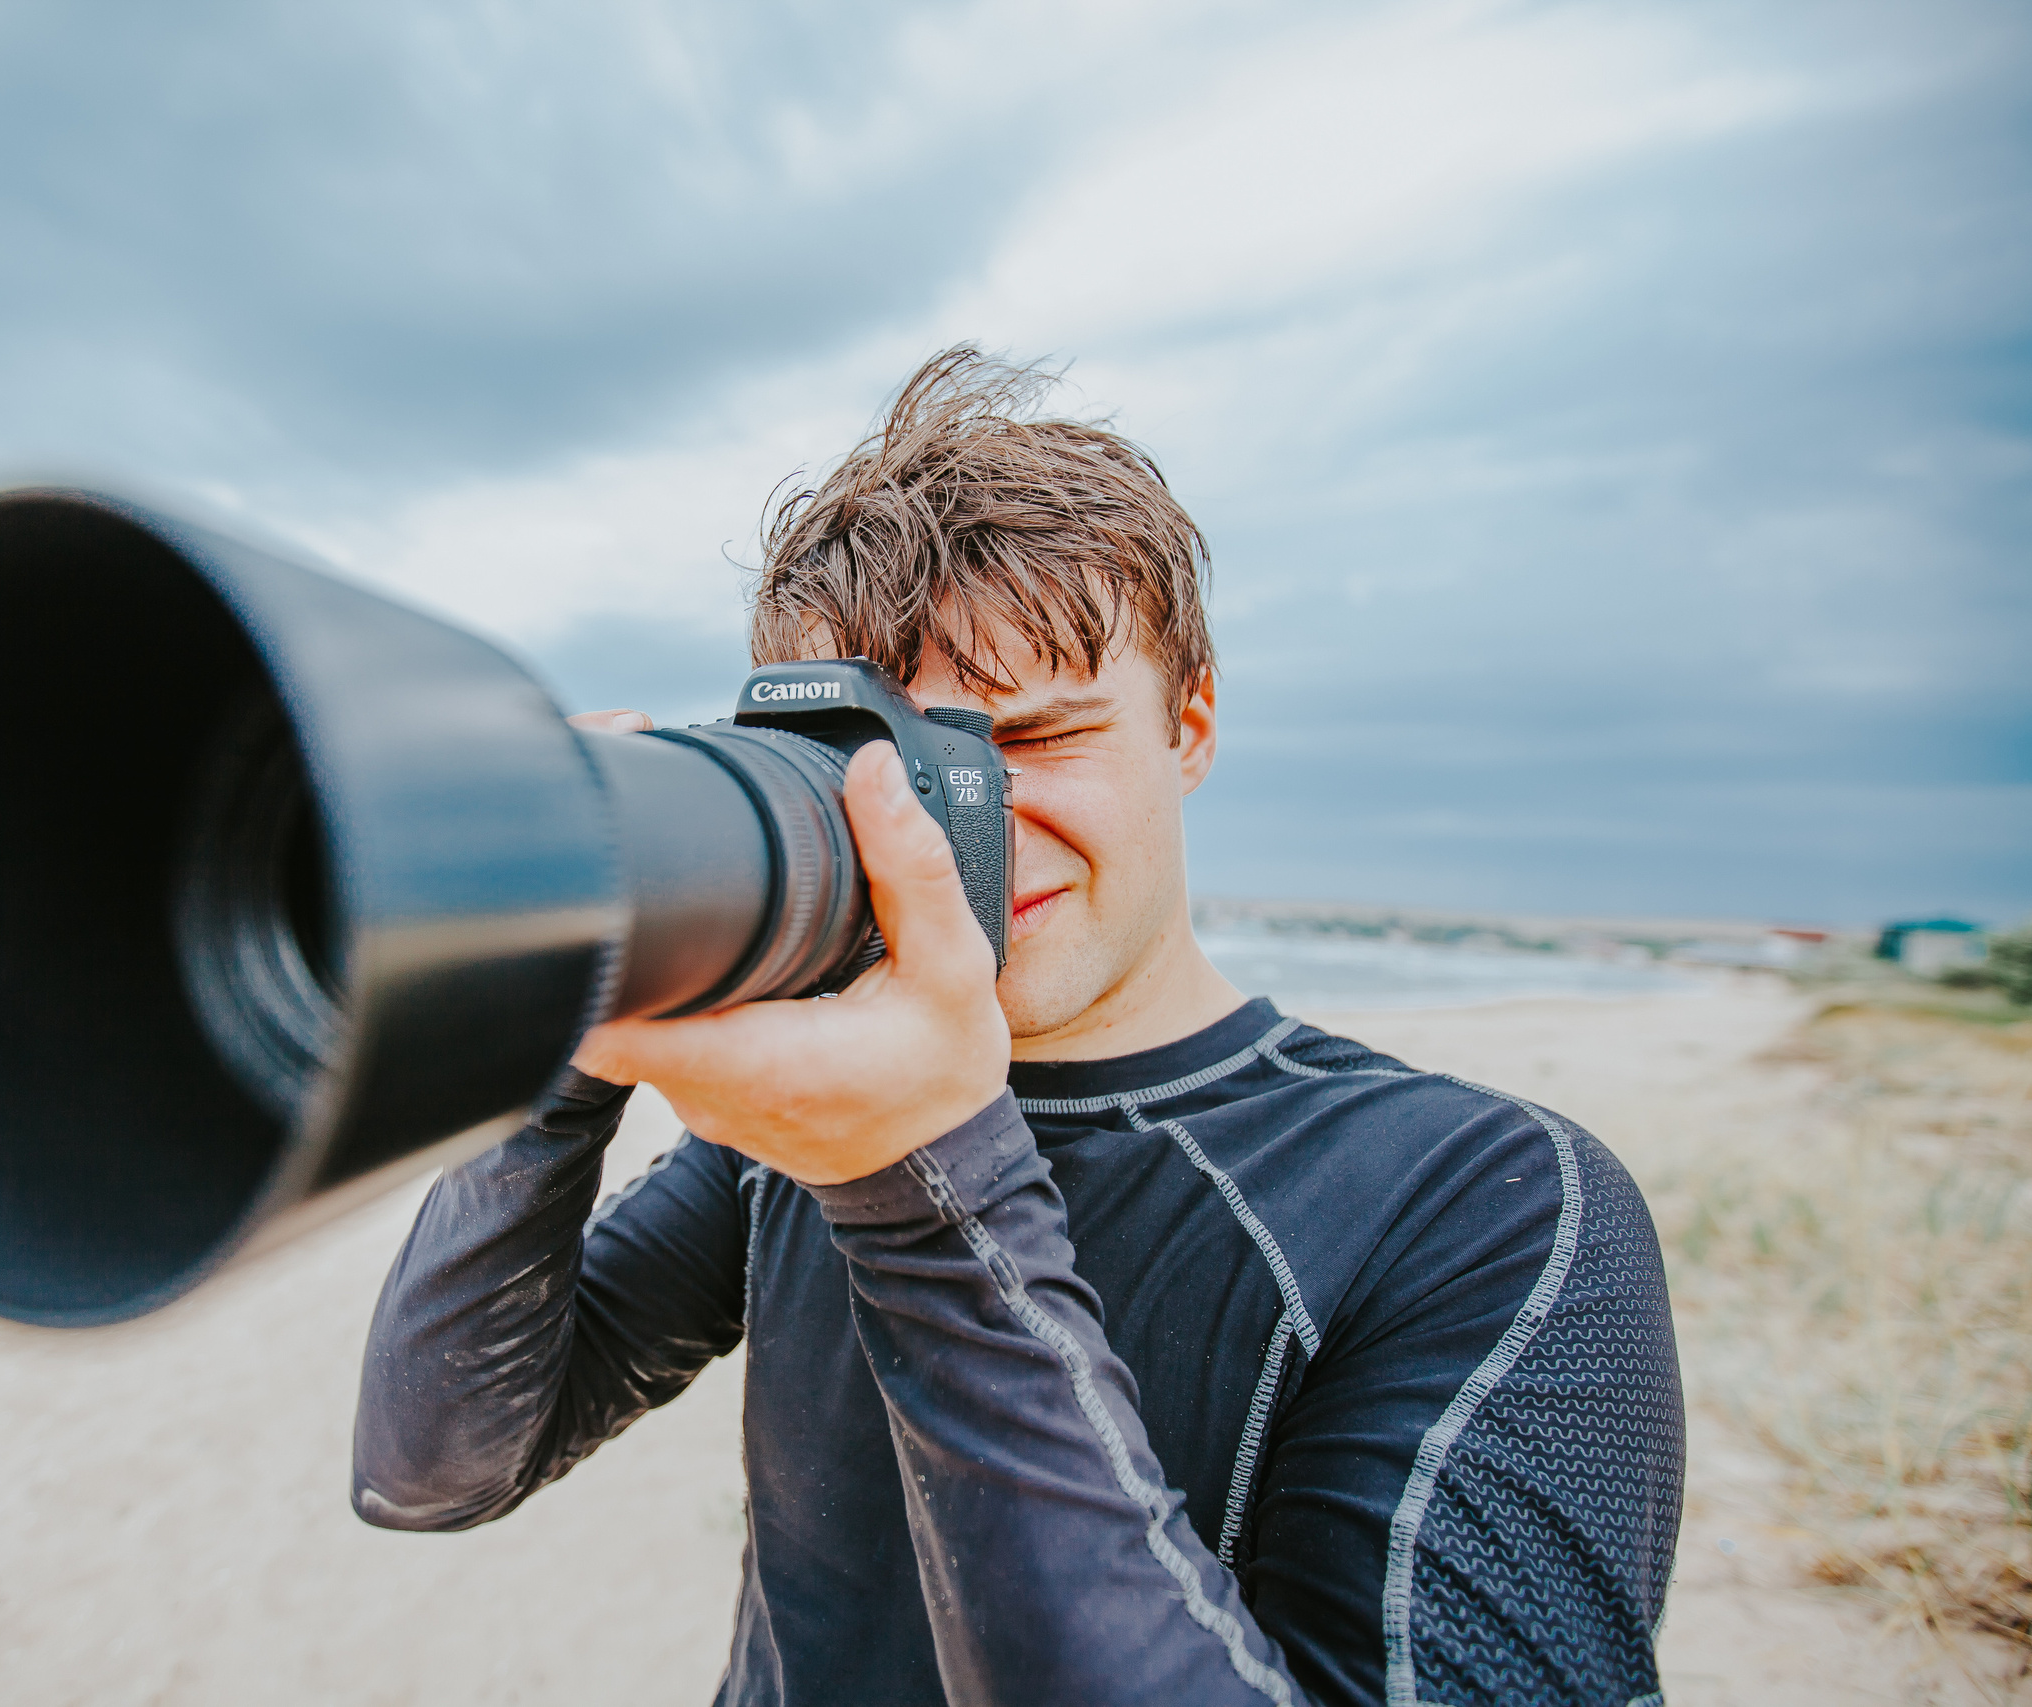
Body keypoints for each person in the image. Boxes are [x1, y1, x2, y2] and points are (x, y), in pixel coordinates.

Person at [351, 347, 1684, 1707]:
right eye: (881, 770)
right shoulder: (795, 1127)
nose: (949, 827)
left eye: (1035, 741)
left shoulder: (1481, 1206)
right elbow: (433, 1469)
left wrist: (925, 1181)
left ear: (1192, 726)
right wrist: (573, 1024)